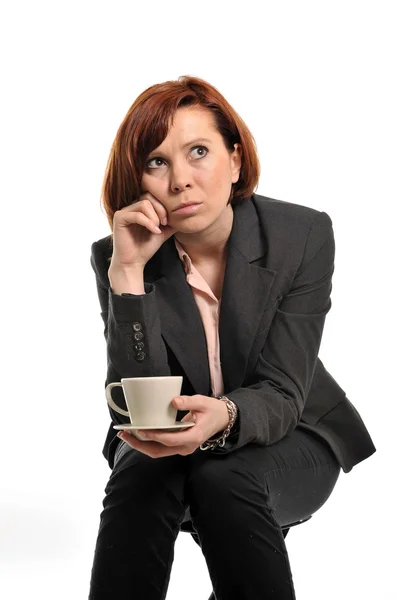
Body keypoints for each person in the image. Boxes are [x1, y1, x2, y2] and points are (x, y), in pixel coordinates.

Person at [88, 75, 376, 600]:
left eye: (198, 151)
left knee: (223, 479)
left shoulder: (301, 237)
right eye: (157, 162)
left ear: (236, 160)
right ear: (139, 180)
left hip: (292, 438)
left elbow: (285, 389)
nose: (180, 180)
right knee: (140, 474)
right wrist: (129, 277)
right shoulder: (118, 255)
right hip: (172, 445)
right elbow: (137, 408)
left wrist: (225, 416)